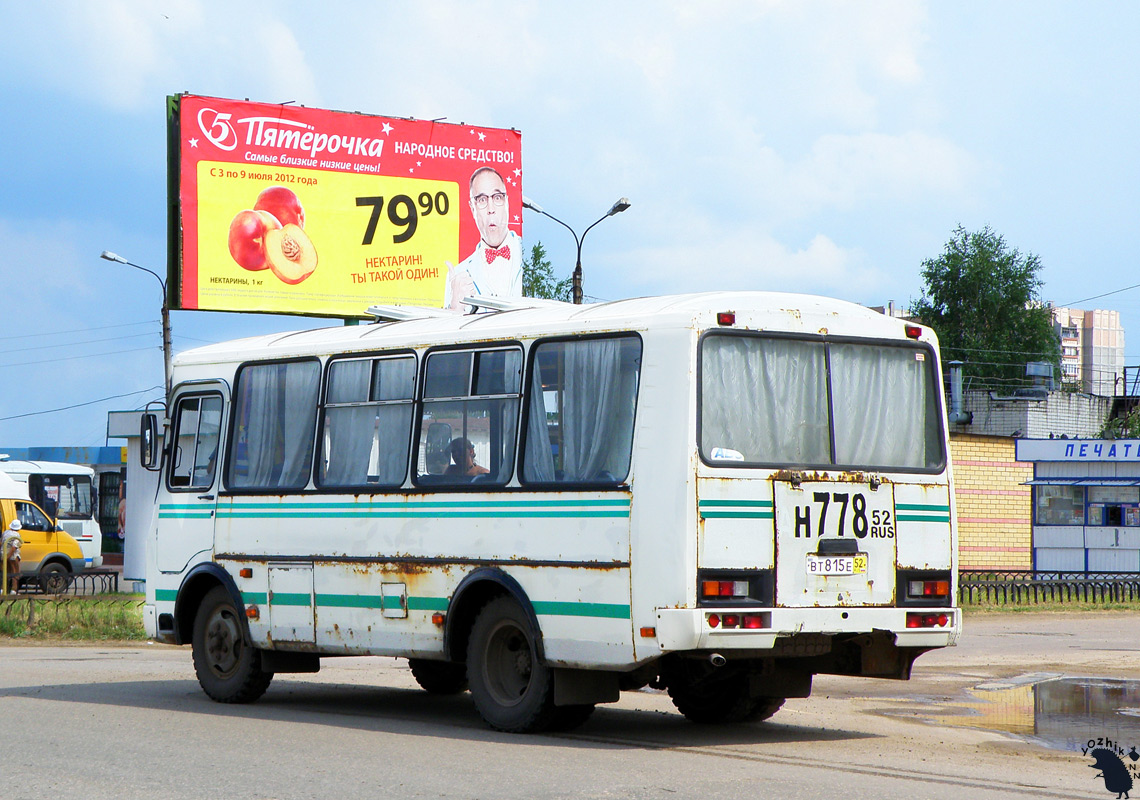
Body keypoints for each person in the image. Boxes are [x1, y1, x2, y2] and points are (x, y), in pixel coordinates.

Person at [444, 167, 523, 311]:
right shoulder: (459, 274)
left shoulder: (527, 253)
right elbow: (447, 332)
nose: (491, 208)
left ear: (507, 202)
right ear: (472, 208)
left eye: (497, 197)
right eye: (481, 200)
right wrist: (455, 308)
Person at [2, 519, 22, 595]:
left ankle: (2, 590)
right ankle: (13, 590)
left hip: (2, 554)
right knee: (15, 572)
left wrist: (4, 556)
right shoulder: (17, 535)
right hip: (13, 556)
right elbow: (14, 547)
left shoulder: (5, 533)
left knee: (5, 573)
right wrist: (8, 556)